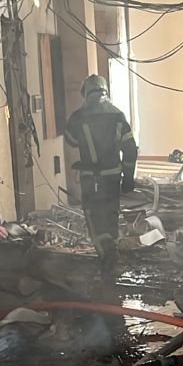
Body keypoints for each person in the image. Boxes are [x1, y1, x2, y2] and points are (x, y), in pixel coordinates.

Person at [64, 75, 138, 270]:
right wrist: (128, 177)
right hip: (113, 177)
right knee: (110, 215)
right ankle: (111, 252)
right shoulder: (118, 115)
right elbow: (130, 148)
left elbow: (71, 140)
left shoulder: (78, 117)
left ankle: (107, 257)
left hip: (91, 178)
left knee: (94, 218)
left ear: (85, 93)